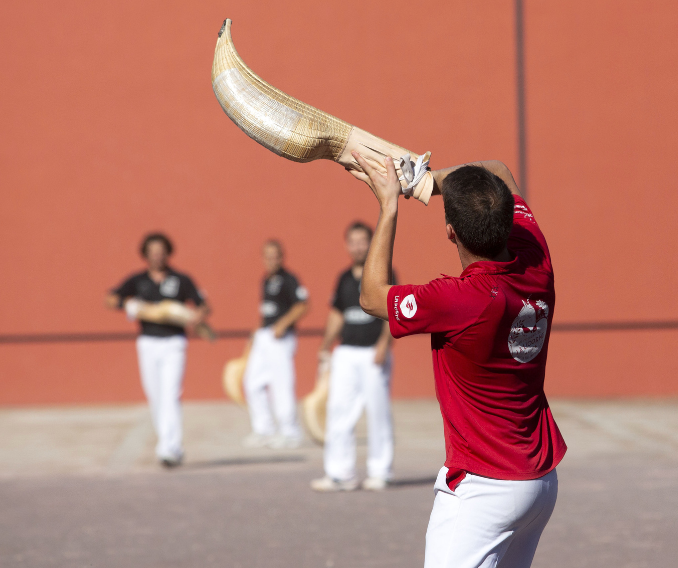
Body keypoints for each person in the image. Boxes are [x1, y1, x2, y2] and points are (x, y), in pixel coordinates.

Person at [349, 153, 567, 568]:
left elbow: (372, 296)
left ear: (451, 233)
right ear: (509, 221)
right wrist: (423, 182)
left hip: (485, 489)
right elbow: (499, 170)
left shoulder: (458, 299)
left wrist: (391, 203)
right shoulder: (536, 258)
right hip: (538, 480)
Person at [107, 232, 210, 468]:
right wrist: (129, 304)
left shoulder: (181, 279)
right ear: (145, 254)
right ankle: (168, 441)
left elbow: (203, 306)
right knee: (155, 396)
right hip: (147, 342)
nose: (157, 255)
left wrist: (197, 318)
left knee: (171, 394)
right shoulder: (137, 280)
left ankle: (169, 448)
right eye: (152, 251)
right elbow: (110, 298)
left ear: (168, 253)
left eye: (161, 251)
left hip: (174, 342)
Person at [310, 221, 395, 493]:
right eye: (353, 241)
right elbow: (337, 314)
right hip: (345, 353)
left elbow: (393, 311)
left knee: (377, 413)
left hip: (373, 354)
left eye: (363, 241)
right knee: (339, 411)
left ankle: (380, 471)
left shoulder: (384, 272)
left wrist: (384, 345)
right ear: (347, 245)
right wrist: (325, 346)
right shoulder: (343, 278)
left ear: (371, 242)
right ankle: (340, 473)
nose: (358, 246)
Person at [243, 239, 309, 449]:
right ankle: (264, 430)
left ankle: (290, 432)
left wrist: (283, 324)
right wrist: (254, 335)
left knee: (281, 385)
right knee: (251, 382)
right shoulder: (265, 280)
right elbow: (265, 312)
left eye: (275, 256)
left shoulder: (289, 279)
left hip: (280, 339)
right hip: (263, 337)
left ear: (282, 257)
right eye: (267, 256)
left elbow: (302, 305)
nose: (271, 261)